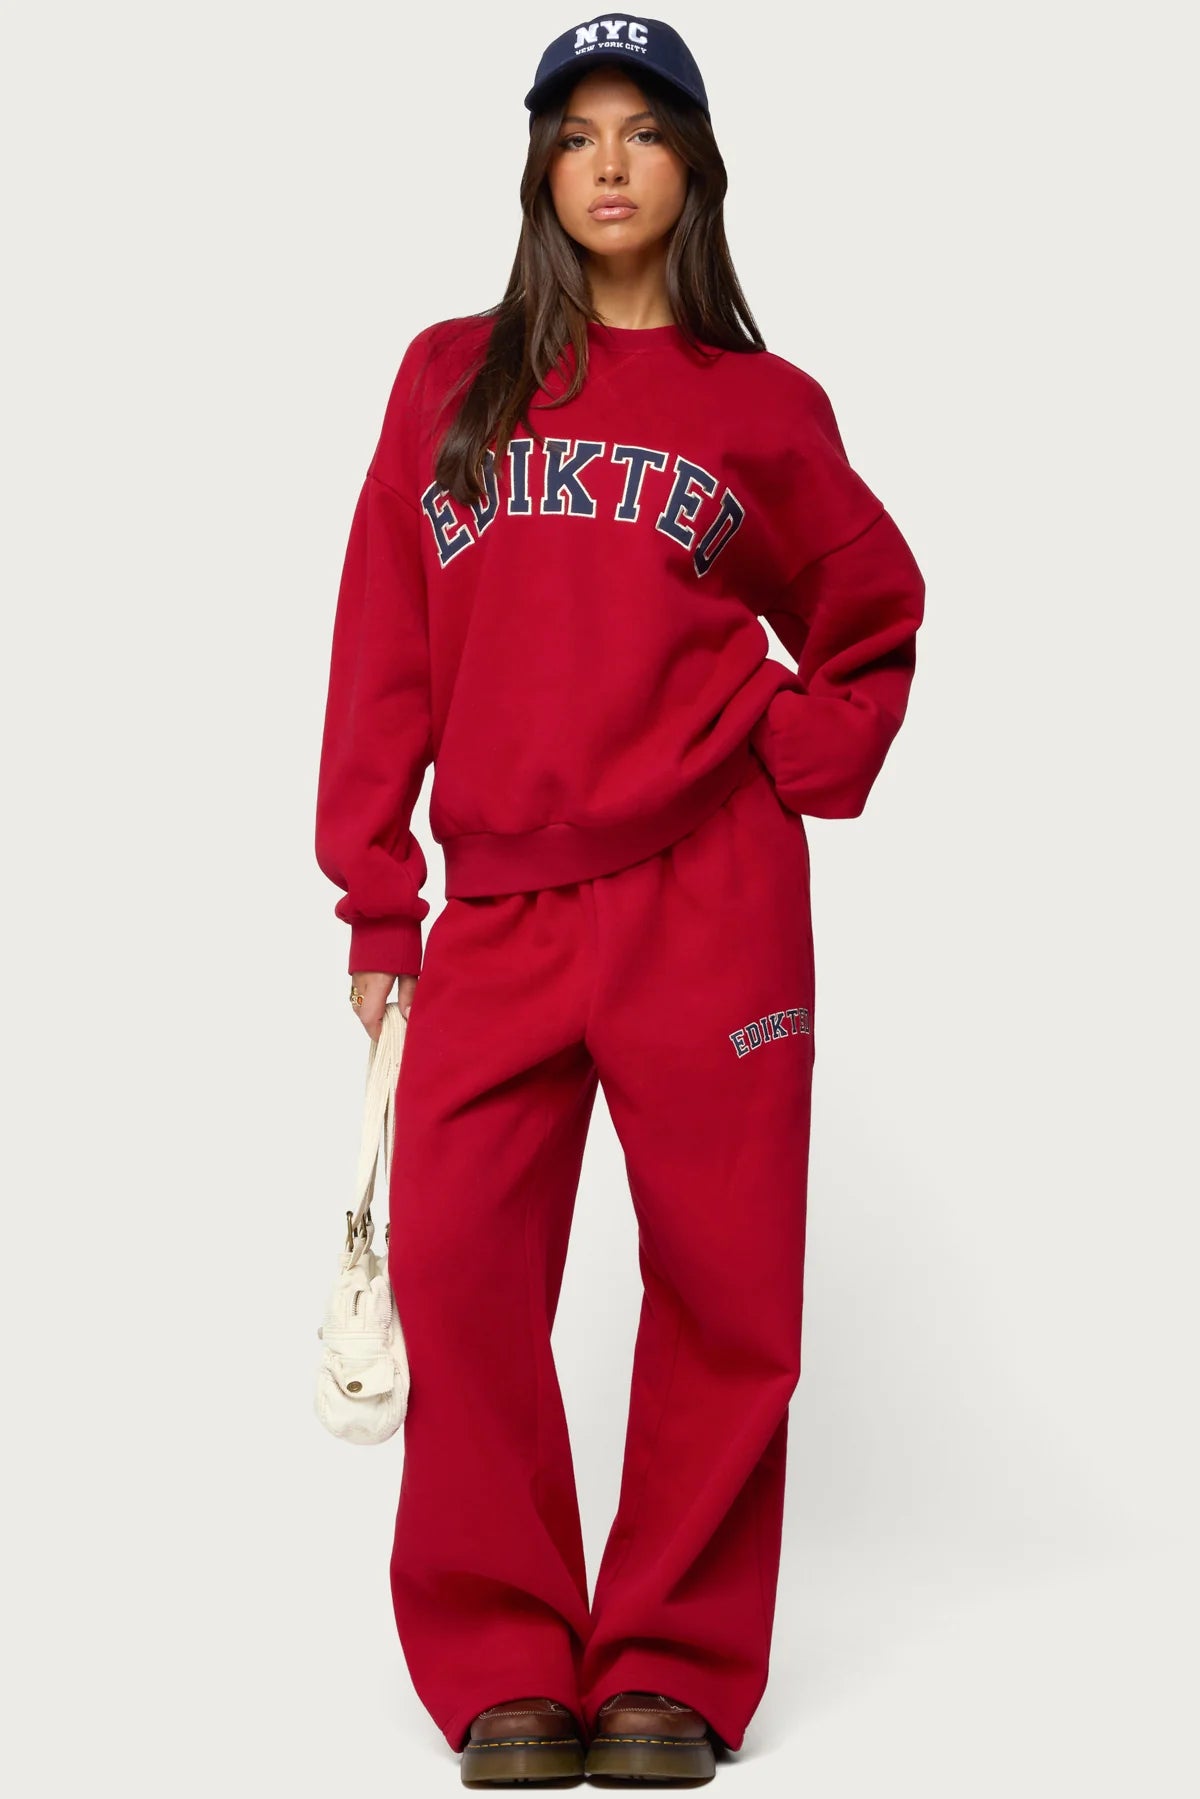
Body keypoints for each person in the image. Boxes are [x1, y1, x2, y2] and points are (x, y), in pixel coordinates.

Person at [314, 14, 925, 1788]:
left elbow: (874, 612)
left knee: (725, 1290)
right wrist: (378, 899)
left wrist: (790, 742)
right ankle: (508, 1657)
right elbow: (382, 641)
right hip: (502, 906)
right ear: (537, 168)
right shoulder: (448, 380)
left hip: (709, 897)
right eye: (575, 131)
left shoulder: (762, 409)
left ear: (694, 170)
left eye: (643, 131)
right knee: (460, 1272)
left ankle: (670, 1662)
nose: (607, 162)